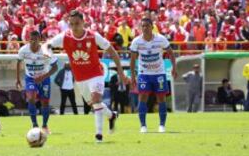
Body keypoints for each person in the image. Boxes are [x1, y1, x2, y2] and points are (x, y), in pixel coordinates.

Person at [45, 10, 127, 142]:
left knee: (96, 99)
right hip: (80, 78)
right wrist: (48, 55)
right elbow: (47, 45)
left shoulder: (93, 36)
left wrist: (121, 72)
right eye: (71, 24)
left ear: (83, 22)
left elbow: (113, 52)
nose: (74, 27)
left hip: (96, 73)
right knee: (95, 104)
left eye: (77, 23)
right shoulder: (64, 37)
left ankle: (98, 135)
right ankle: (111, 115)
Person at [130, 17, 177, 133]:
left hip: (159, 73)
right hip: (143, 73)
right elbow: (132, 60)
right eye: (143, 26)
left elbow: (171, 53)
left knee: (161, 98)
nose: (145, 28)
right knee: (142, 98)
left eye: (147, 26)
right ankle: (143, 126)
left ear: (152, 26)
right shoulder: (136, 41)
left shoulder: (161, 39)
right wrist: (132, 76)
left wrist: (174, 68)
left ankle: (162, 125)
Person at [16, 31, 58, 134]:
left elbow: (55, 67)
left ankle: (44, 125)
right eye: (32, 39)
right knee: (31, 98)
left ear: (40, 40)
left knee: (45, 102)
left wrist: (43, 76)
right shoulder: (23, 50)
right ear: (29, 39)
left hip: (44, 78)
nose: (34, 42)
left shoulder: (46, 51)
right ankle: (34, 125)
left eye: (36, 39)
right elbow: (18, 62)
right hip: (30, 78)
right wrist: (18, 79)